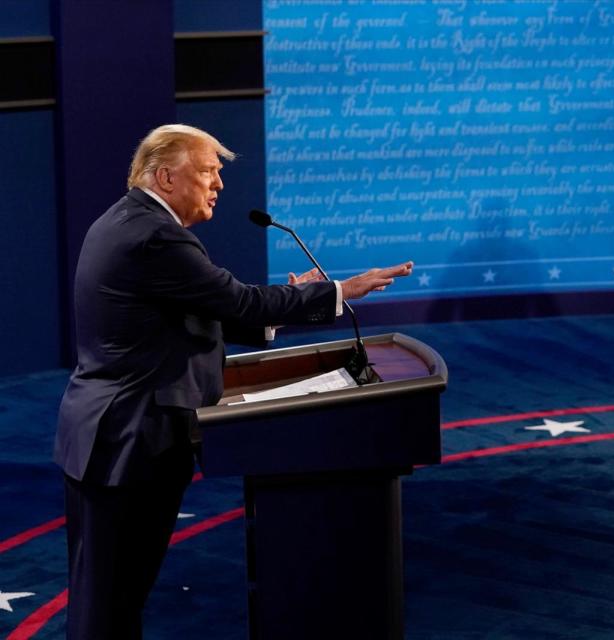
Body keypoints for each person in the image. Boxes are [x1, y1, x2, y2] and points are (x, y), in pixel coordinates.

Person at [53, 124, 413, 639]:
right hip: (129, 440)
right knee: (109, 605)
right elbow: (237, 302)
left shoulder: (127, 221)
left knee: (110, 599)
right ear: (165, 176)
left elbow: (204, 310)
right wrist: (339, 291)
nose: (218, 184)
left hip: (109, 436)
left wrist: (286, 304)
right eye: (207, 172)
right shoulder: (156, 236)